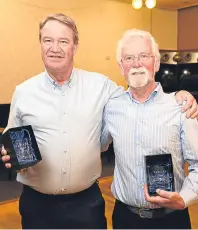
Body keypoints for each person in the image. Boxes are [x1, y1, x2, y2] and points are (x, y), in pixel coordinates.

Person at [1, 14, 198, 229]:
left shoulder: (102, 87)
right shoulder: (24, 92)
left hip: (88, 206)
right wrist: (9, 155)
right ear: (121, 66)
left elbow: (139, 94)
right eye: (48, 40)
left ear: (75, 47)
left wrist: (182, 93)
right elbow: (12, 141)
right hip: (38, 206)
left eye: (63, 41)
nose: (54, 48)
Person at [101, 29, 198, 229]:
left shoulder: (181, 107)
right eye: (129, 58)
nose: (136, 64)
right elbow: (95, 144)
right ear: (121, 66)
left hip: (172, 220)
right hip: (124, 219)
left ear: (156, 63)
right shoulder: (111, 107)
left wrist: (185, 198)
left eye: (143, 56)